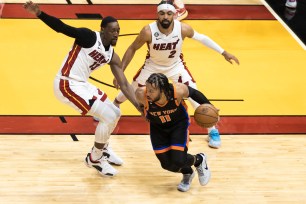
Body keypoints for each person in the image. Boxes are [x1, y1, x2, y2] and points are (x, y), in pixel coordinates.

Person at [23, 1, 142, 177]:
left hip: (82, 85)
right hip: (66, 84)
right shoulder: (89, 37)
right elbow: (62, 27)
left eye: (118, 30)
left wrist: (139, 107)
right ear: (103, 30)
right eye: (112, 30)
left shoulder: (112, 55)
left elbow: (124, 84)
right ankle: (94, 158)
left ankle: (103, 150)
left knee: (115, 113)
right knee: (108, 116)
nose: (116, 33)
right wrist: (40, 13)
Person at [114, 0, 240, 149]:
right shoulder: (148, 31)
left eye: (169, 13)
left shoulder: (183, 29)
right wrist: (120, 72)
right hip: (152, 66)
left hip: (175, 67)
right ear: (157, 15)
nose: (165, 17)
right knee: (133, 89)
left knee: (194, 94)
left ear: (174, 14)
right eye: (162, 13)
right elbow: (132, 48)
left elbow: (202, 38)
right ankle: (115, 104)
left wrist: (224, 52)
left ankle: (212, 129)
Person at [135, 73, 212, 192]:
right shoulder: (141, 94)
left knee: (178, 160)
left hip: (178, 125)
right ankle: (188, 173)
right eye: (148, 89)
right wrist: (142, 111)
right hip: (158, 128)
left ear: (163, 90)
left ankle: (199, 159)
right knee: (166, 164)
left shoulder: (178, 91)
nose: (148, 93)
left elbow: (194, 93)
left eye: (152, 91)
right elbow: (141, 106)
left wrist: (210, 107)